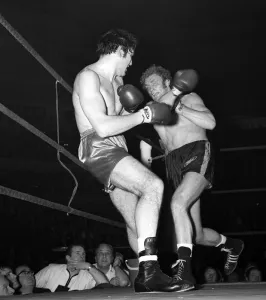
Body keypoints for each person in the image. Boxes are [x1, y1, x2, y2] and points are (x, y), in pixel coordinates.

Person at [72, 29, 181, 293]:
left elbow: (120, 120)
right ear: (121, 50)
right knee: (153, 186)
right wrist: (143, 115)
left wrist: (131, 109)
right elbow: (102, 126)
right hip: (97, 144)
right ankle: (149, 274)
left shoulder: (118, 83)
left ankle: (143, 276)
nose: (131, 62)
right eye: (130, 56)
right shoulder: (88, 78)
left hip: (117, 147)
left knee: (137, 220)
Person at [140, 65, 244, 291]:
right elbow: (153, 140)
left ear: (168, 82)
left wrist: (181, 107)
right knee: (195, 235)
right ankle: (232, 245)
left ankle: (184, 272)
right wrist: (145, 160)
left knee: (177, 203)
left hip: (196, 153)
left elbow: (211, 123)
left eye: (155, 83)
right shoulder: (151, 108)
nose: (151, 89)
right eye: (147, 87)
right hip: (174, 164)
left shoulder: (189, 96)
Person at [35, 244, 108, 292]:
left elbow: (105, 286)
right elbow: (30, 285)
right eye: (78, 253)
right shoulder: (52, 269)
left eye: (83, 254)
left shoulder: (88, 276)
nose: (82, 256)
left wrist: (89, 266)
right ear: (68, 258)